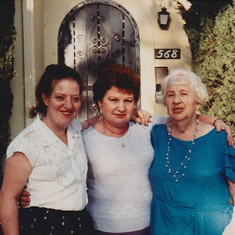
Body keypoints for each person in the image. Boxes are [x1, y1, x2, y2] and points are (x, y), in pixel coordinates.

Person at [19, 64, 233, 235]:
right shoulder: (81, 137)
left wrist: (214, 120)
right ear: (100, 102)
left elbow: (180, 117)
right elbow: (60, 174)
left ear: (135, 103)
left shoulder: (147, 126)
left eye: (128, 101)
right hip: (100, 228)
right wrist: (29, 194)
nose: (121, 107)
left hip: (151, 226)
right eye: (113, 100)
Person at [0, 64, 96, 235]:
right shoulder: (27, 144)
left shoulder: (74, 128)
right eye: (60, 97)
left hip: (80, 224)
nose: (69, 105)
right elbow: (7, 198)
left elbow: (92, 122)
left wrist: (131, 114)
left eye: (75, 98)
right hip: (44, 227)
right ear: (46, 98)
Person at [149, 68, 235, 235]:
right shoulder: (155, 134)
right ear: (164, 102)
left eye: (184, 94)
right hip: (164, 225)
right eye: (170, 95)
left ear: (197, 101)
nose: (176, 100)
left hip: (209, 228)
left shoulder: (218, 138)